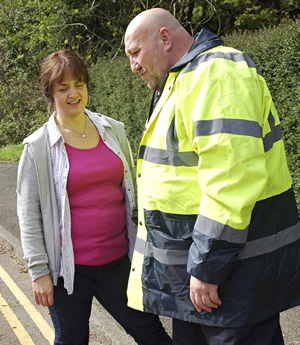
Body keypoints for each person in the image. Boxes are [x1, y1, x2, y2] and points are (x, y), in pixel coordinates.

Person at [124, 8, 300, 345]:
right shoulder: (183, 78)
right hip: (202, 282)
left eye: (135, 52)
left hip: (229, 281)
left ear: (165, 38)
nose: (133, 65)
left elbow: (232, 179)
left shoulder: (216, 74)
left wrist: (207, 266)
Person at [16, 49, 172, 345]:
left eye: (79, 84)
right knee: (72, 340)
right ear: (50, 93)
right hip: (68, 272)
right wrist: (39, 273)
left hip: (118, 262)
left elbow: (131, 192)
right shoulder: (37, 148)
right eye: (63, 88)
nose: (73, 94)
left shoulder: (114, 130)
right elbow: (28, 215)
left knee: (152, 335)